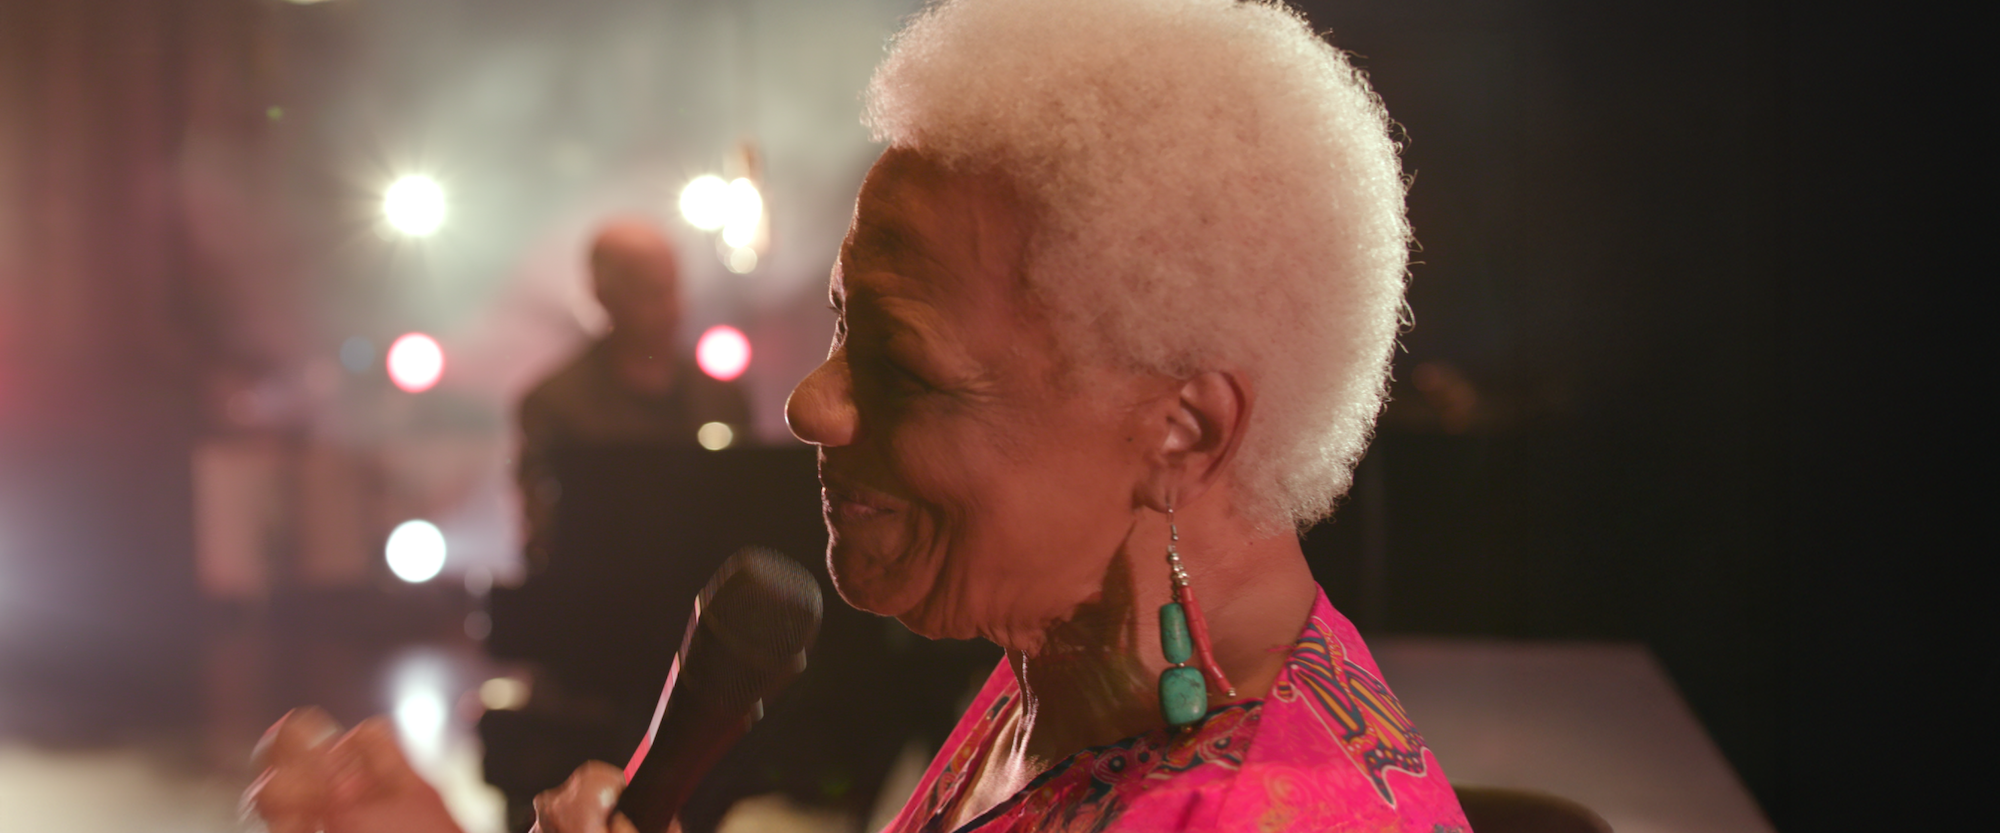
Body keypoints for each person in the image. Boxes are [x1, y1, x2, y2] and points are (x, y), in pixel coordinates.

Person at [246, 0, 1471, 830]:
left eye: (907, 367)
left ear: (1182, 431)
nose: (812, 402)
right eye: (841, 330)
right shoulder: (1081, 672)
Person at [515, 219, 752, 571]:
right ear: (603, 295)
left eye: (672, 290)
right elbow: (546, 536)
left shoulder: (725, 399)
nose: (673, 308)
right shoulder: (553, 407)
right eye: (651, 293)